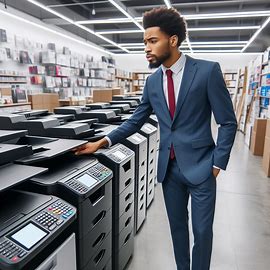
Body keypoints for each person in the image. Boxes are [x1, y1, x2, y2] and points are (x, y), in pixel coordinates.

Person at [74, 7, 237, 270]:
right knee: (178, 230)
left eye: (152, 41)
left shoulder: (207, 72)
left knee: (203, 232)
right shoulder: (151, 83)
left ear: (172, 40)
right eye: (144, 43)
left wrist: (217, 163)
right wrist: (103, 142)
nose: (146, 48)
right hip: (169, 170)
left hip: (203, 166)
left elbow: (228, 122)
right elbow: (136, 120)